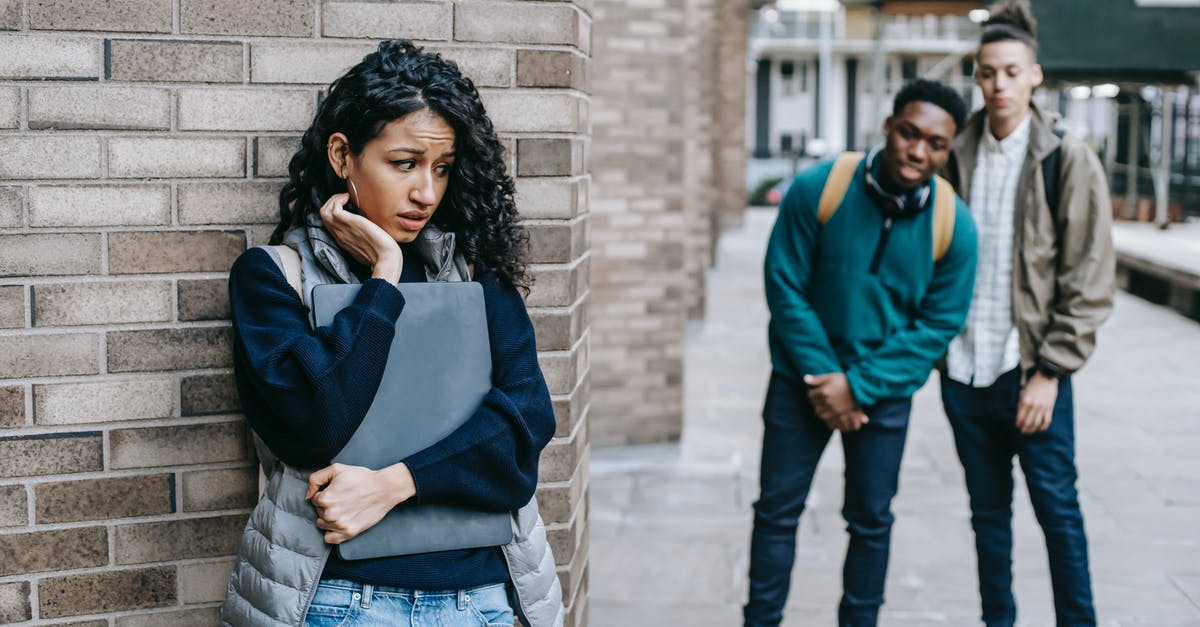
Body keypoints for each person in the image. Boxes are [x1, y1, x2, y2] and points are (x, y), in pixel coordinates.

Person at [219, 40, 563, 627]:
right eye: (404, 163)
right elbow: (315, 423)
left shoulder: (476, 276)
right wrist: (384, 279)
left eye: (442, 168)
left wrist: (395, 484)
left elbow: (524, 427)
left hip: (483, 598)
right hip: (339, 601)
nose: (426, 193)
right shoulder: (275, 278)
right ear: (342, 156)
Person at [745, 79, 977, 627]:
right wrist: (827, 376)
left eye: (936, 144)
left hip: (883, 396)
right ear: (888, 128)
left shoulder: (955, 225)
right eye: (909, 134)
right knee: (777, 514)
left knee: (871, 521)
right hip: (800, 380)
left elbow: (939, 324)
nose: (919, 152)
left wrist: (859, 386)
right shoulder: (819, 188)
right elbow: (785, 286)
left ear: (949, 151)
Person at [939, 2, 1115, 625]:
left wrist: (1051, 371)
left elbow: (1089, 278)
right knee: (988, 520)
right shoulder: (954, 153)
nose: (999, 85)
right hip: (964, 374)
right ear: (977, 76)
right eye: (988, 73)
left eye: (1012, 72)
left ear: (1035, 75)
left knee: (1058, 516)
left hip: (1031, 376)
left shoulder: (1065, 158)